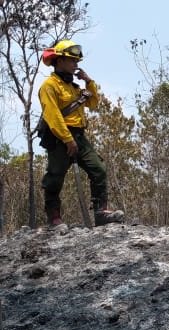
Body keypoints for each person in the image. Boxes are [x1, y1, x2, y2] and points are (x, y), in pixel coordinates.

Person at [37, 39, 124, 227]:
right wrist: (67, 139)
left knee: (98, 168)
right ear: (59, 61)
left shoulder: (75, 87)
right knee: (55, 177)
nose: (76, 65)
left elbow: (93, 104)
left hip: (78, 136)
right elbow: (52, 116)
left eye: (77, 62)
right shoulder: (49, 86)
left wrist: (89, 82)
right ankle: (54, 217)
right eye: (72, 61)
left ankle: (101, 213)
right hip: (59, 137)